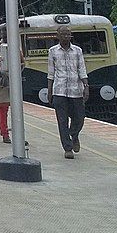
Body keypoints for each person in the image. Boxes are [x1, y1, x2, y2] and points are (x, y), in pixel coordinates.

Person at [47, 25, 89, 159]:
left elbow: (82, 69)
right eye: (63, 34)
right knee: (62, 120)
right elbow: (51, 72)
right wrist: (50, 90)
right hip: (59, 90)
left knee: (79, 118)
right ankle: (67, 147)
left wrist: (86, 86)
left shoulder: (77, 51)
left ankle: (74, 134)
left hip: (76, 90)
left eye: (68, 34)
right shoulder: (52, 51)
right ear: (57, 36)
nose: (66, 37)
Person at [0, 36, 25, 144]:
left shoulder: (16, 45)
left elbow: (23, 62)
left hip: (12, 80)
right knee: (2, 108)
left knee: (16, 110)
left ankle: (19, 135)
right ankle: (5, 133)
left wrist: (17, 72)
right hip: (0, 80)